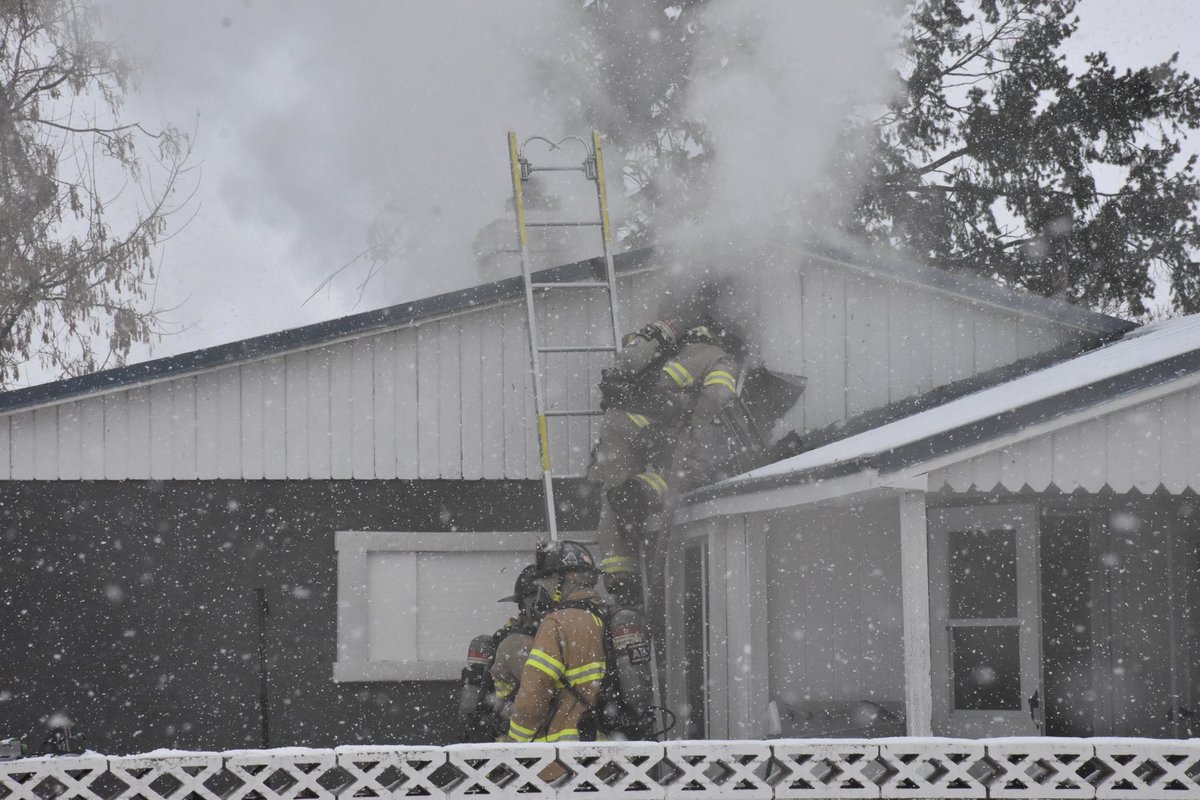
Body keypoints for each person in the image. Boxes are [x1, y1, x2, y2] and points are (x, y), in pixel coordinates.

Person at [590, 320, 744, 608]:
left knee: (612, 492)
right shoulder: (719, 357)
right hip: (655, 426)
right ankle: (641, 495)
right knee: (689, 476)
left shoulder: (670, 346)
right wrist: (695, 426)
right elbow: (718, 396)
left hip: (618, 421)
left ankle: (619, 577)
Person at [502, 540, 608, 747]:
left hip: (563, 759)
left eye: (546, 581)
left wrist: (514, 744)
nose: (546, 589)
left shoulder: (556, 624)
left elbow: (533, 699)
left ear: (559, 579)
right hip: (612, 754)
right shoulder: (608, 617)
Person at [456, 564, 544, 742]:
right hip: (517, 741)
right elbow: (539, 691)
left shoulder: (515, 638)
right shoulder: (517, 643)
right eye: (535, 601)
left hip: (511, 742)